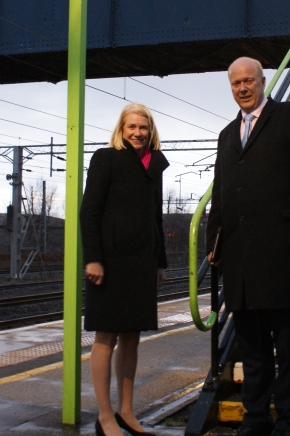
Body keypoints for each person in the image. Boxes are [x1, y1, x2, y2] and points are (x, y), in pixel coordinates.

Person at [206, 57, 290, 436]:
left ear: (263, 81)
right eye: (235, 83)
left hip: (286, 253)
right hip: (240, 261)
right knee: (253, 352)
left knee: (289, 351)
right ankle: (255, 419)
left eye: (249, 81)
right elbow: (221, 196)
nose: (243, 88)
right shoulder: (227, 135)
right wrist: (214, 241)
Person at [80, 103, 169, 436]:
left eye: (143, 127)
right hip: (110, 262)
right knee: (106, 337)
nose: (137, 133)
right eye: (131, 127)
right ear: (121, 129)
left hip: (141, 262)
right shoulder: (106, 159)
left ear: (150, 130)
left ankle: (126, 412)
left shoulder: (154, 164)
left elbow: (155, 216)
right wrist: (93, 258)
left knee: (132, 338)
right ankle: (104, 417)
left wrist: (160, 261)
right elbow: (89, 212)